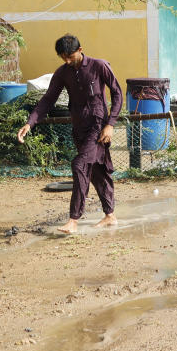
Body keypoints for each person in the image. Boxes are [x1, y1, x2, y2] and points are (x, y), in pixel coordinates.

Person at [17, 34, 122, 234]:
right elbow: (48, 100)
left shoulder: (99, 66)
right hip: (79, 129)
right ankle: (110, 215)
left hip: (98, 127)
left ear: (80, 50)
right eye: (63, 57)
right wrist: (30, 123)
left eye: (70, 56)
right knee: (97, 172)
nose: (67, 61)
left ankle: (73, 219)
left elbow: (117, 93)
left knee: (79, 164)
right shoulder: (62, 73)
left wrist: (111, 124)